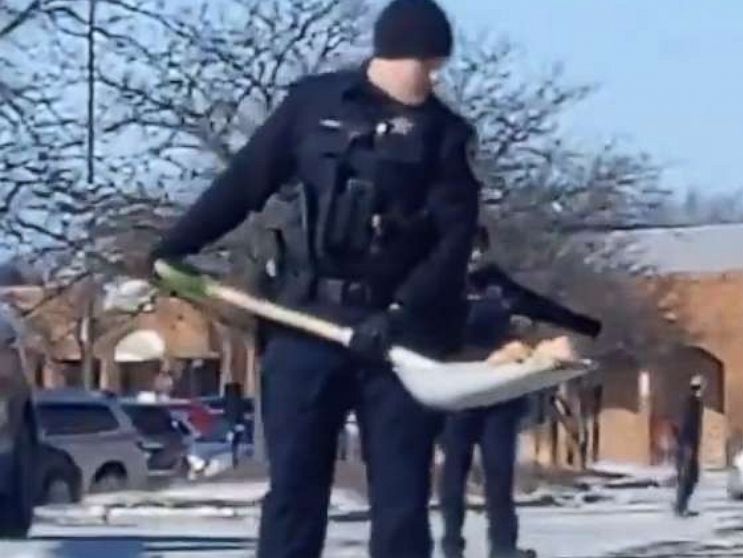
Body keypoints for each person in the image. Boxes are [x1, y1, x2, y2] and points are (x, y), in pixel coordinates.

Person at [149, 1, 481, 556]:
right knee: (295, 494)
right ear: (394, 55)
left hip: (395, 340)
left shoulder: (446, 136)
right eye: (428, 63)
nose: (436, 76)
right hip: (305, 323)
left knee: (400, 504)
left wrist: (401, 313)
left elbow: (453, 244)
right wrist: (178, 244)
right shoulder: (314, 105)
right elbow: (244, 182)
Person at [439, 226, 601, 558]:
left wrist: (580, 323)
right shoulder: (438, 283)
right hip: (459, 388)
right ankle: (451, 545)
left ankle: (503, 546)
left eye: (478, 250)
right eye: (467, 249)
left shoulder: (497, 285)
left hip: (500, 389)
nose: (473, 257)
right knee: (455, 470)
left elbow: (536, 304)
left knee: (499, 472)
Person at [674, 374, 705, 517]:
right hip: (688, 444)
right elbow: (687, 424)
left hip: (688, 443)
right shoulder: (692, 403)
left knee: (690, 476)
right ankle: (681, 506)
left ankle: (682, 505)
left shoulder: (693, 402)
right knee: (688, 476)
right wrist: (688, 445)